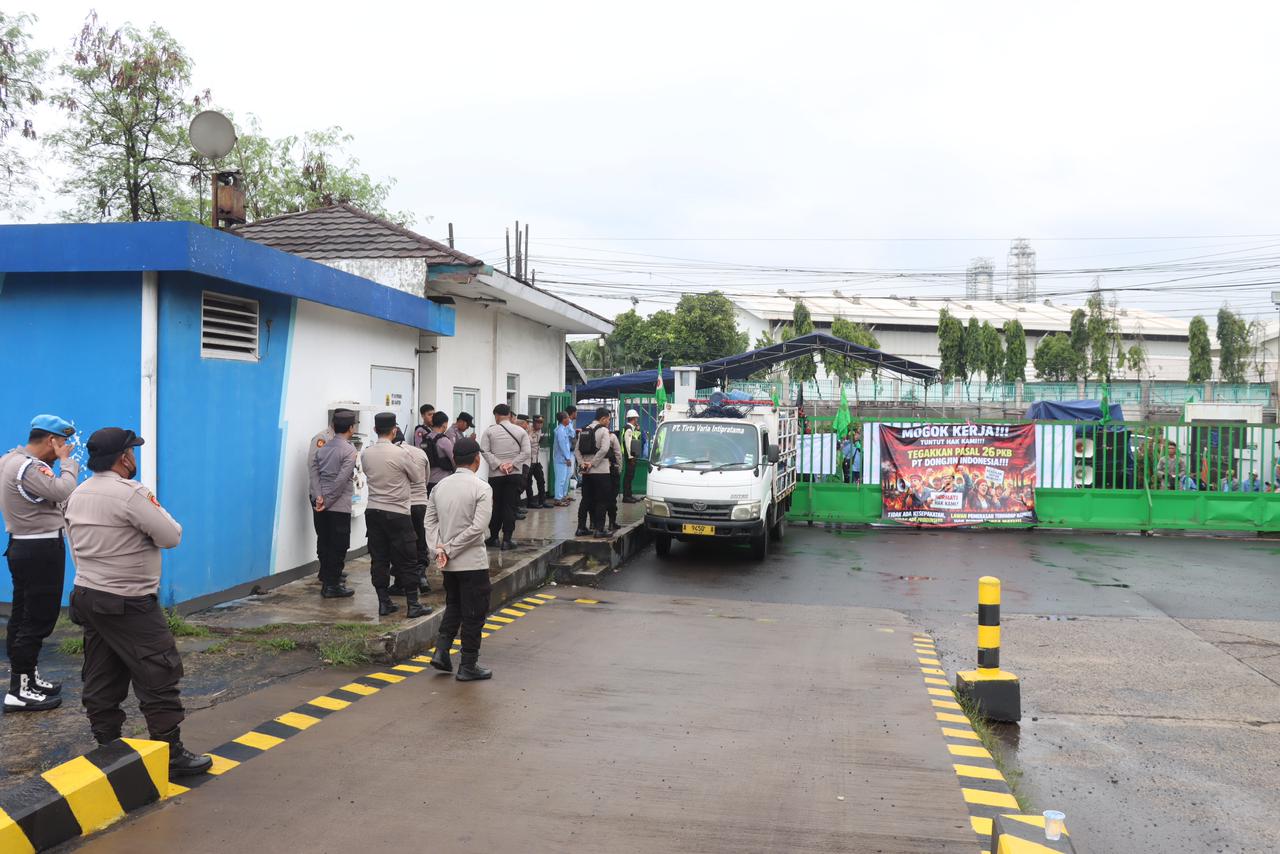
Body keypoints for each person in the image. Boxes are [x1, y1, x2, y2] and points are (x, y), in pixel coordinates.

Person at [64, 427, 211, 775]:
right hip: (128, 600)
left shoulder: (77, 494)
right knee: (158, 670)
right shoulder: (130, 494)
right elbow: (170, 535)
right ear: (124, 458)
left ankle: (108, 748)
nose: (134, 458)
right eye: (132, 452)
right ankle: (170, 753)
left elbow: (74, 546)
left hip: (88, 595)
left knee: (102, 672)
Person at [1, 414, 79, 712]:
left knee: (23, 616)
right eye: (62, 445)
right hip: (39, 549)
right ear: (51, 440)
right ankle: (19, 691)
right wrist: (68, 464)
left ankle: (27, 678)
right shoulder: (29, 467)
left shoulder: (10, 459)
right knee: (37, 619)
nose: (62, 452)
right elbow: (63, 490)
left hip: (24, 546)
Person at [425, 437, 493, 681]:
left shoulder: (439, 487)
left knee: (454, 605)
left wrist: (438, 549)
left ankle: (442, 652)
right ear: (477, 459)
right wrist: (450, 548)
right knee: (474, 613)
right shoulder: (481, 488)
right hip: (472, 562)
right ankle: (468, 665)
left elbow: (429, 522)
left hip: (448, 563)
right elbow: (478, 528)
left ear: (454, 459)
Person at [362, 413, 430, 618]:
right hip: (398, 512)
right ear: (394, 430)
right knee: (408, 559)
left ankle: (384, 603)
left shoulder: (366, 453)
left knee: (379, 558)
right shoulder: (401, 454)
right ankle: (413, 604)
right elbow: (417, 477)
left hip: (373, 511)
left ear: (375, 430)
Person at [310, 411, 357, 599]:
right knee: (339, 545)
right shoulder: (349, 450)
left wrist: (319, 497)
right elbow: (341, 480)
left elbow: (314, 473)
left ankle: (327, 580)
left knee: (325, 541)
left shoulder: (323, 448)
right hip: (338, 504)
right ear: (351, 428)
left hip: (321, 502)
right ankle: (332, 585)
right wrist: (327, 501)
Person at [480, 404, 530, 550]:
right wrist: (512, 464)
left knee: (496, 505)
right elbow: (526, 452)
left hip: (496, 474)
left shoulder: (489, 431)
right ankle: (507, 539)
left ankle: (494, 537)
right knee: (510, 506)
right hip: (514, 474)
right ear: (509, 415)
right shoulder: (520, 431)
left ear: (496, 415)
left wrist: (499, 464)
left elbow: (484, 451)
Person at [392, 429, 433, 598]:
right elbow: (426, 479)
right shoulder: (421, 453)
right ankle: (421, 576)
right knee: (421, 542)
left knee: (403, 545)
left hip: (403, 506)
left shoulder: (393, 453)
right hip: (421, 503)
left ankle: (401, 582)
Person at [575, 408, 614, 538]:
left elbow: (576, 450)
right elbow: (604, 449)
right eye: (608, 419)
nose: (609, 422)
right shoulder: (604, 431)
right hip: (601, 471)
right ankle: (599, 529)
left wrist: (582, 463)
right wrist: (593, 463)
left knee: (585, 499)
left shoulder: (584, 430)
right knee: (602, 500)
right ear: (603, 418)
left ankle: (580, 528)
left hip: (586, 472)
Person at [423, 411, 455, 496]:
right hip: (442, 481)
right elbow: (453, 459)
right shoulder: (444, 440)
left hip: (428, 481)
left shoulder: (426, 438)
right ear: (444, 424)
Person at [524, 415, 549, 510]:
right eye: (538, 422)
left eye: (541, 422)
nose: (540, 424)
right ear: (533, 422)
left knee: (541, 480)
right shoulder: (528, 430)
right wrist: (530, 433)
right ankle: (530, 502)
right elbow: (527, 443)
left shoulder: (540, 430)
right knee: (528, 482)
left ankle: (542, 501)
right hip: (529, 460)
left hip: (536, 460)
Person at [552, 411, 575, 506]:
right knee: (560, 480)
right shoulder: (560, 431)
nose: (569, 419)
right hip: (561, 459)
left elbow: (572, 436)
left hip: (563, 459)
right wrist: (568, 458)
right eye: (567, 418)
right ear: (564, 419)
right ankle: (558, 499)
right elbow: (563, 445)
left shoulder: (564, 429)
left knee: (564, 479)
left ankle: (561, 497)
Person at [621, 410, 644, 503]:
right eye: (636, 418)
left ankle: (629, 495)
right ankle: (626, 497)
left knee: (630, 476)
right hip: (630, 456)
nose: (637, 420)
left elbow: (635, 439)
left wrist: (637, 430)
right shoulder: (629, 429)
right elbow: (628, 444)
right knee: (628, 477)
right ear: (633, 419)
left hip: (631, 456)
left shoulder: (631, 429)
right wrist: (631, 457)